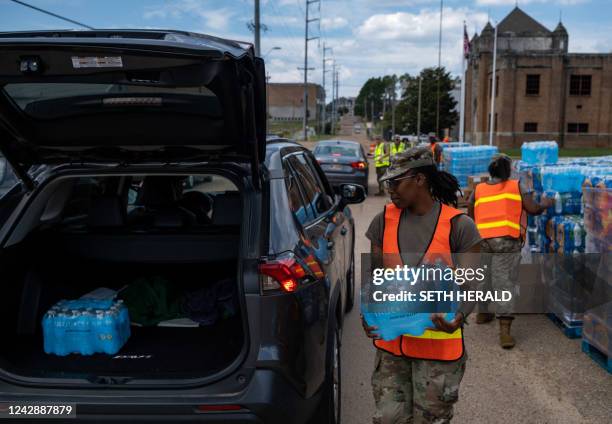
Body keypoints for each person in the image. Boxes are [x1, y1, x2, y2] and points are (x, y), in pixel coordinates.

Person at [363, 147, 482, 424]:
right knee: (389, 419)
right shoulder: (383, 221)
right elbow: (374, 277)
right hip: (392, 350)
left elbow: (473, 285)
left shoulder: (459, 227)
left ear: (419, 180)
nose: (389, 188)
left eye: (395, 182)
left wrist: (459, 317)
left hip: (437, 356)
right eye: (387, 182)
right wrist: (366, 312)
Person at [467, 153, 553, 349]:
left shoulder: (478, 189)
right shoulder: (516, 186)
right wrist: (546, 204)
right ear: (508, 170)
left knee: (484, 276)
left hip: (483, 240)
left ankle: (483, 312)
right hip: (506, 241)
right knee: (503, 282)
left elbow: (470, 213)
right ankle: (505, 332)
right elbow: (532, 209)